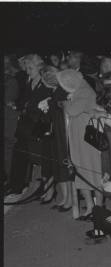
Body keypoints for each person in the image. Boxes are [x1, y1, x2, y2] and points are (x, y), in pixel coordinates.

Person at [56, 69, 103, 220]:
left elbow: (72, 110)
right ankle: (90, 206)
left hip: (88, 141)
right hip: (79, 139)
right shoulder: (80, 89)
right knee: (81, 171)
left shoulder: (84, 91)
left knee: (93, 172)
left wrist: (66, 102)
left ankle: (98, 207)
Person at [7, 54, 52, 196]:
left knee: (37, 157)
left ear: (40, 67)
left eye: (30, 68)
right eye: (26, 68)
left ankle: (44, 188)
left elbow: (45, 105)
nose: (27, 71)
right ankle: (15, 184)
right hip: (26, 125)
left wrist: (28, 106)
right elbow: (25, 101)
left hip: (37, 126)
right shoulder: (29, 81)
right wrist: (18, 105)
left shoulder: (46, 83)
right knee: (19, 153)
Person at [39, 66, 74, 211]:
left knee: (64, 163)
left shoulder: (61, 90)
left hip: (62, 131)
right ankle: (65, 197)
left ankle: (69, 199)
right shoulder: (55, 91)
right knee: (59, 163)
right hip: (57, 131)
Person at [3, 55, 20, 184]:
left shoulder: (11, 81)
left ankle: (7, 180)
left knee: (7, 150)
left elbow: (9, 101)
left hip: (8, 122)